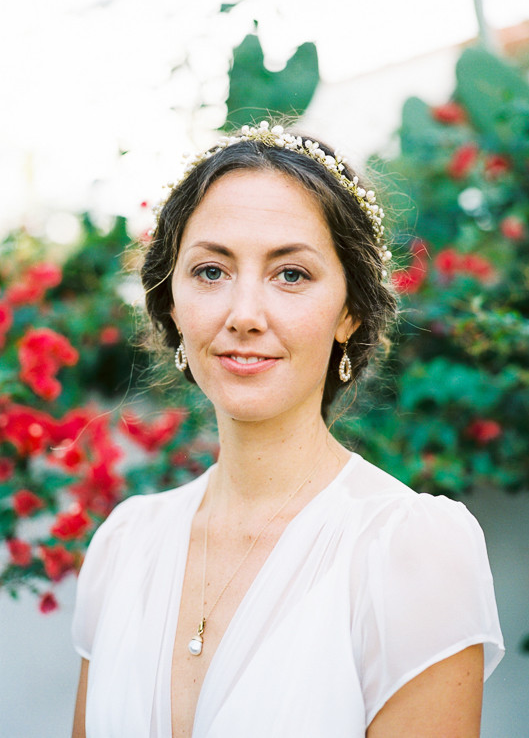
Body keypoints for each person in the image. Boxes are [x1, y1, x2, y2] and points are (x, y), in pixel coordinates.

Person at [71, 122, 504, 737]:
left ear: (349, 310)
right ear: (171, 300)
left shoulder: (408, 553)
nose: (244, 315)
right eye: (211, 271)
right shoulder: (123, 549)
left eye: (291, 275)